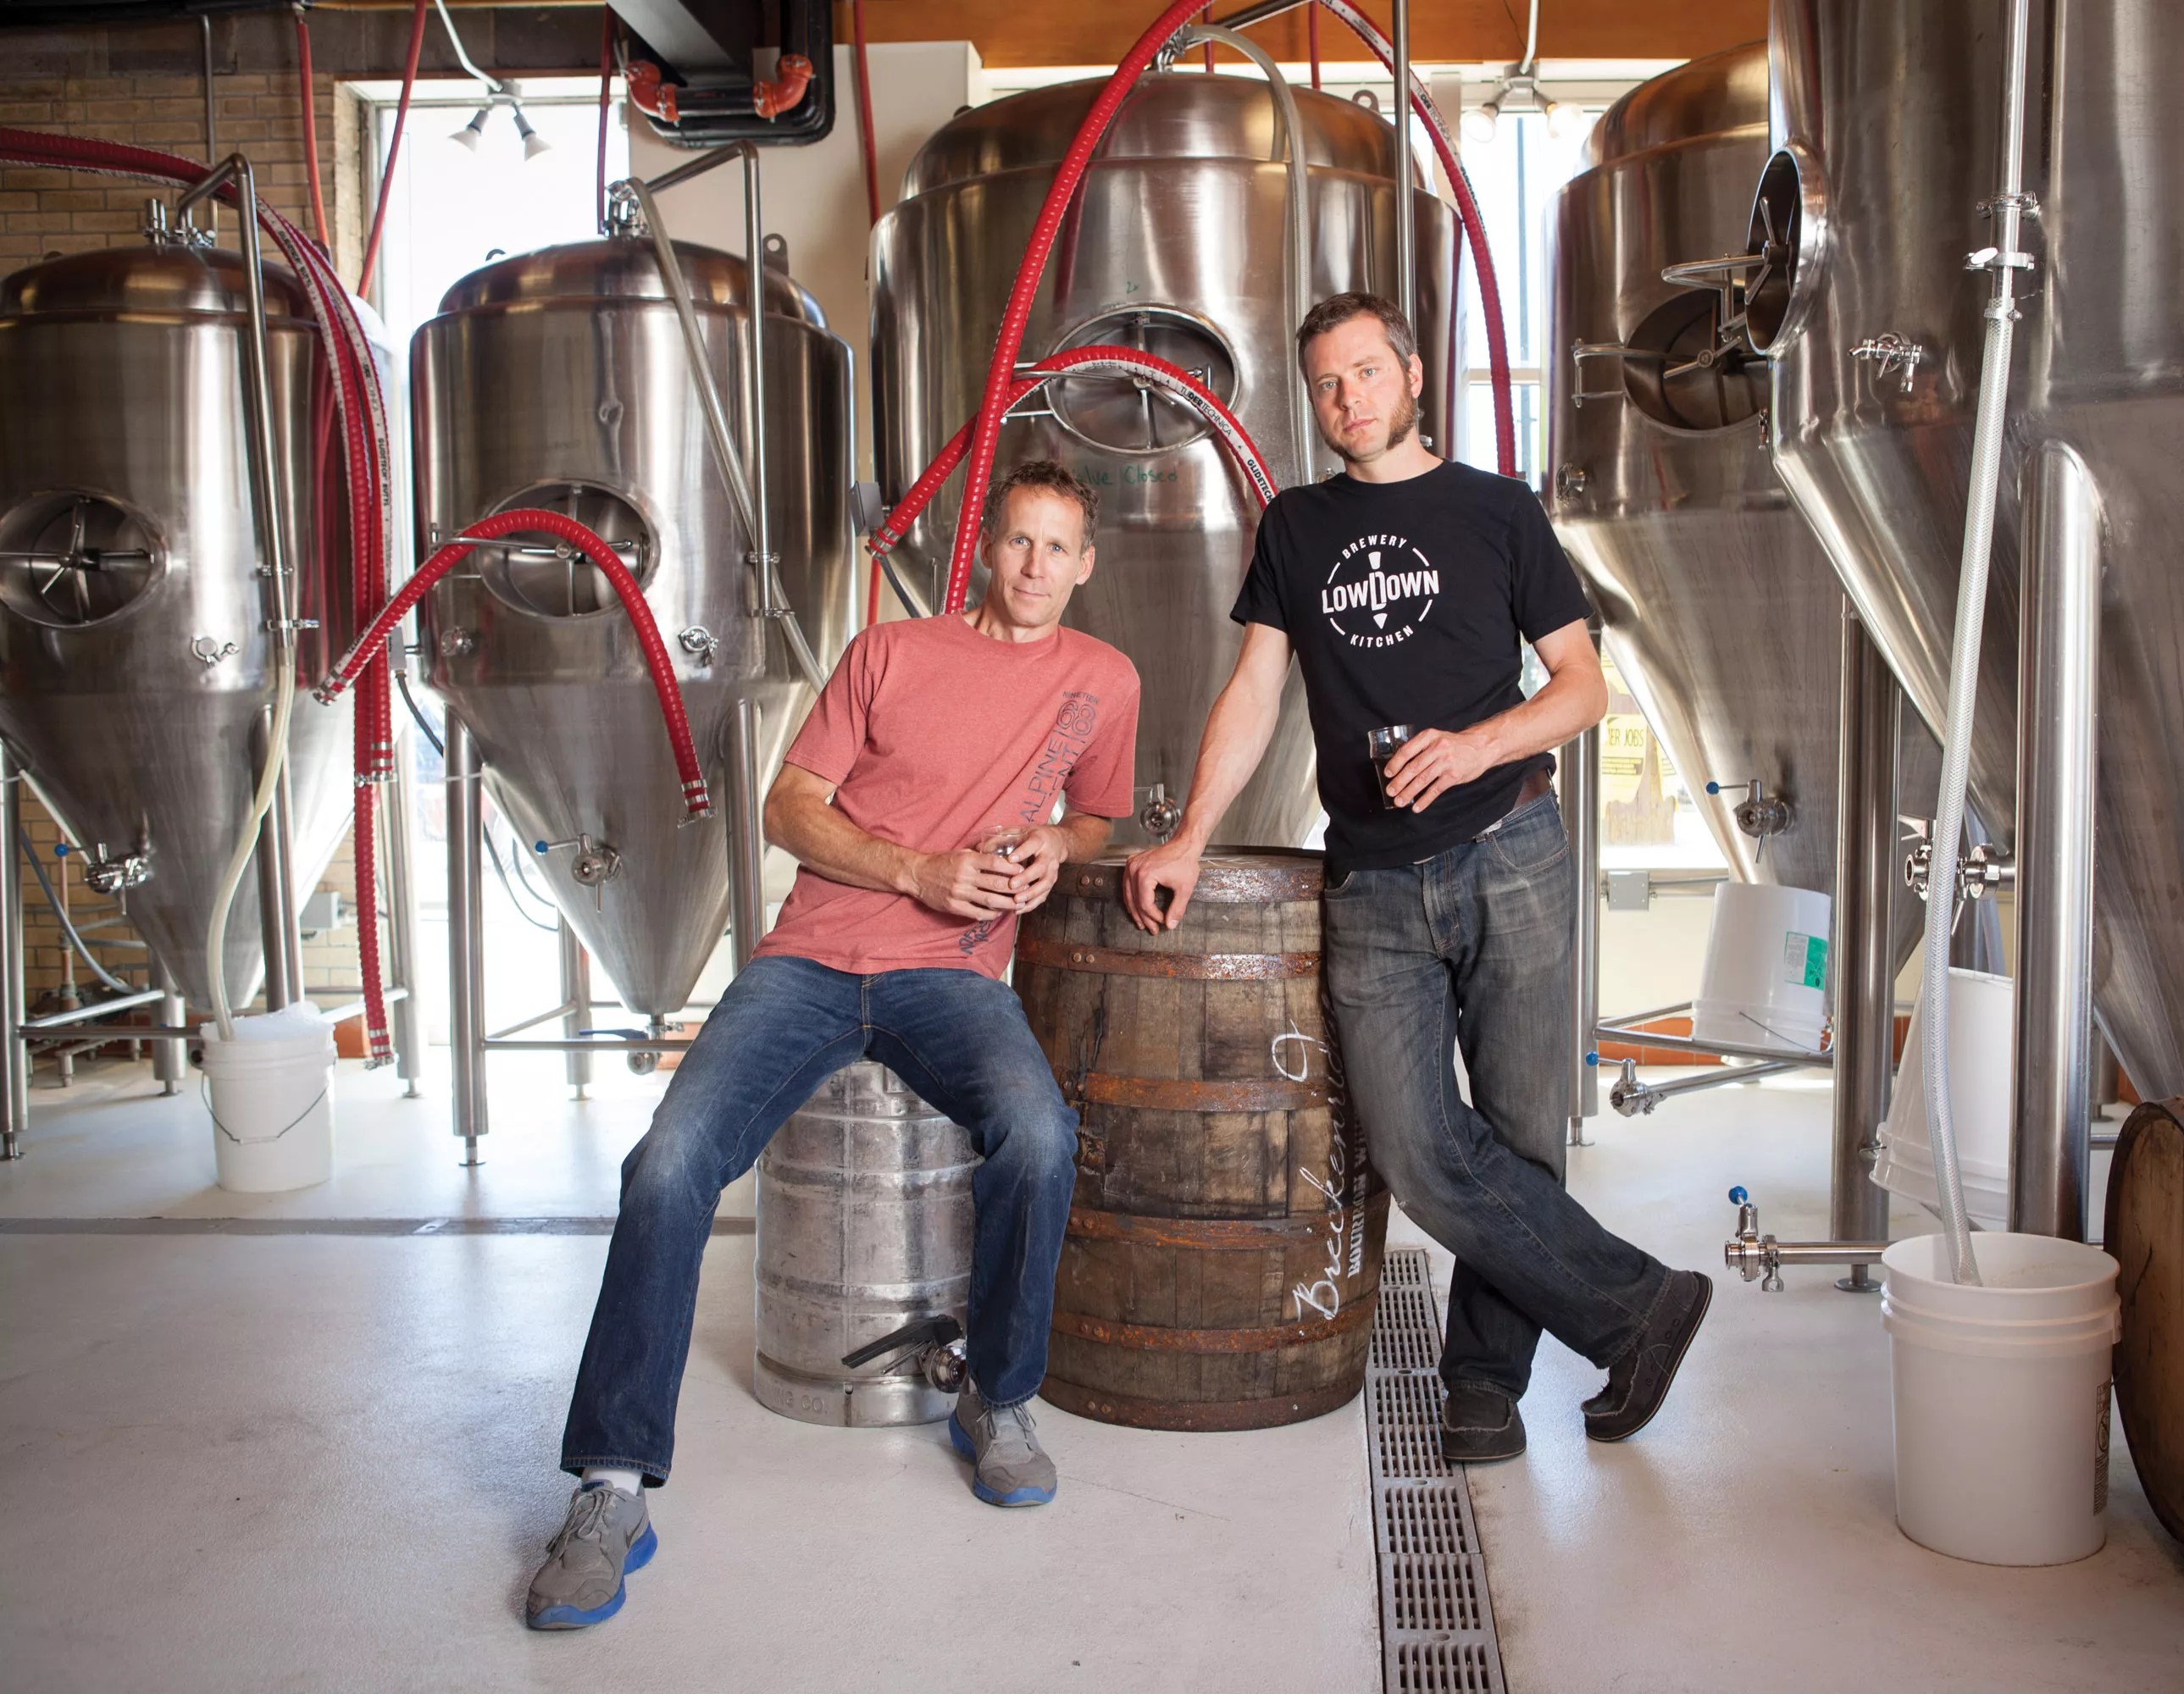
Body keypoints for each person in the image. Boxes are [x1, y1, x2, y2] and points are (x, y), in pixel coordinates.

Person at [527, 461, 1139, 1630]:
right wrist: (917, 869)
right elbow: (788, 808)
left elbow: (1098, 814)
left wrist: (1059, 848)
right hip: (809, 962)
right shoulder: (890, 655)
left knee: (1039, 1136)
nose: (1036, 567)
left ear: (1085, 563)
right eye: (1018, 541)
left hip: (954, 980)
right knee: (667, 1164)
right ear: (986, 545)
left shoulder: (1104, 681)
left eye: (1059, 548)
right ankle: (611, 1487)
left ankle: (998, 1401)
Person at [1123, 292, 1708, 1465]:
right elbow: (1253, 693)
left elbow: (1583, 686)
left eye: (1367, 373)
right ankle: (1637, 1304)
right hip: (1375, 886)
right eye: (1328, 384)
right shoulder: (1293, 527)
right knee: (1414, 1146)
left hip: (1512, 854)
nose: (1349, 398)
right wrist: (1188, 832)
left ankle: (1482, 1388)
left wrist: (1481, 742)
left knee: (1520, 1132)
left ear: (1414, 375)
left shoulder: (1497, 511)